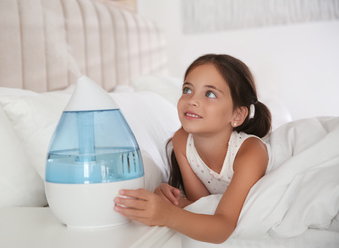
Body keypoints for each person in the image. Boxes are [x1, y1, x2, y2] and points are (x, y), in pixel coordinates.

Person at [114, 54, 272, 243]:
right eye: (187, 89)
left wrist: (167, 214)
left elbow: (223, 228)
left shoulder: (250, 152)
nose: (192, 100)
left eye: (210, 94)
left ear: (237, 115)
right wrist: (172, 200)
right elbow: (200, 205)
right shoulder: (182, 140)